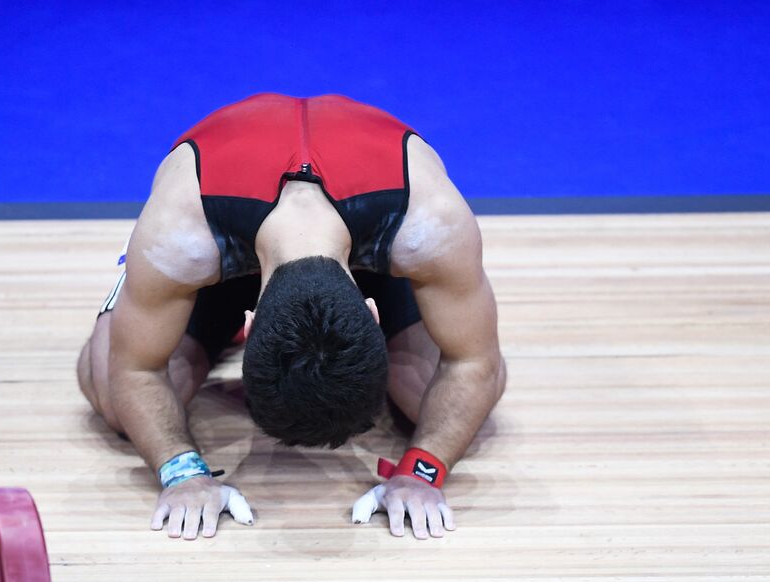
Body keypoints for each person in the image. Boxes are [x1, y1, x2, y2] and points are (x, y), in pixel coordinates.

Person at [76, 93, 506, 541]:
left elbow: (474, 362)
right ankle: (140, 296)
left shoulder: (429, 223)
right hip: (209, 264)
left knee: (442, 397)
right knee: (110, 389)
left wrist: (421, 472)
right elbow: (134, 369)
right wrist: (182, 473)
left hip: (382, 256)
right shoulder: (180, 234)